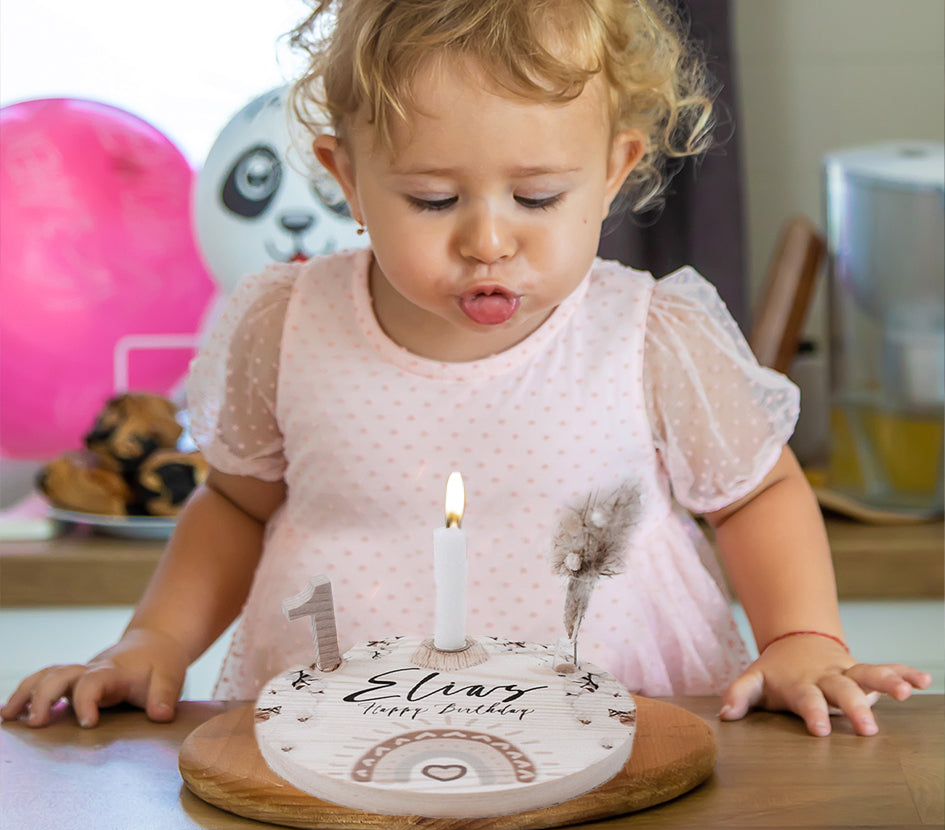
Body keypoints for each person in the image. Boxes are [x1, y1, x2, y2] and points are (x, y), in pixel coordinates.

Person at [2, 0, 930, 737]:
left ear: (613, 171)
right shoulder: (286, 324)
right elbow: (236, 507)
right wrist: (153, 639)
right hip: (345, 737)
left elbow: (756, 493)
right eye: (433, 198)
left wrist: (802, 638)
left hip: (620, 724)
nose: (488, 239)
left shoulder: (649, 332)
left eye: (537, 196)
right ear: (346, 176)